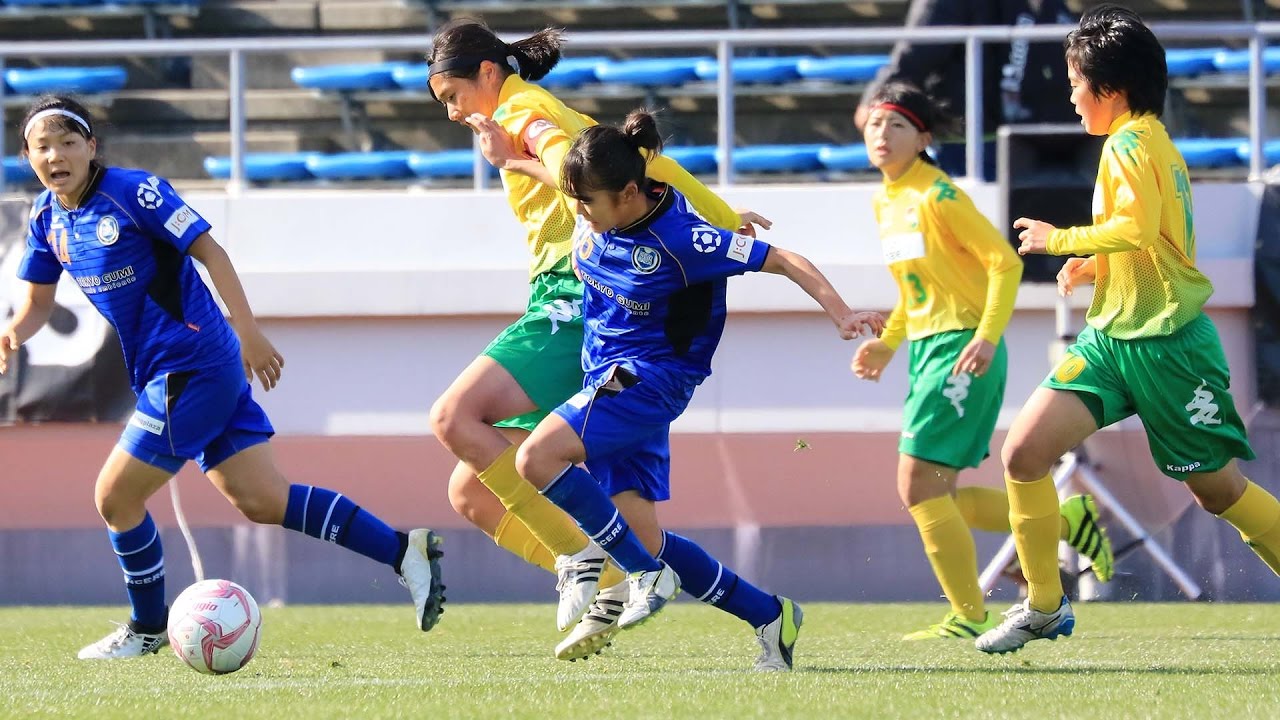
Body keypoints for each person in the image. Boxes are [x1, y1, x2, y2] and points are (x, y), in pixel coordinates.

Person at [0, 96, 445, 660]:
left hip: (192, 365)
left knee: (114, 498)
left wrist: (249, 333)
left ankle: (146, 627)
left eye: (68, 142)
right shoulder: (45, 217)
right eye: (43, 146)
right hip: (180, 371)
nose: (56, 154)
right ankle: (403, 551)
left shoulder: (135, 192)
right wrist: (13, 331)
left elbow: (210, 251)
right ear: (27, 157)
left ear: (91, 147)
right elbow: (37, 304)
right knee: (263, 499)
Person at [424, 19, 768, 660]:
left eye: (453, 96)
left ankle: (583, 560)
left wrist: (510, 160)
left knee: (455, 416)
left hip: (574, 296)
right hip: (579, 306)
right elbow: (642, 162)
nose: (452, 113)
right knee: (474, 490)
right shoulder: (544, 108)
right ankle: (759, 612)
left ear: (489, 76)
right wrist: (721, 216)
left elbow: (570, 171)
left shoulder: (522, 110)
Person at [511, 109, 886, 670]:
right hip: (607, 378)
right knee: (645, 535)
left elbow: (783, 259)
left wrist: (841, 313)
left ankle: (631, 572)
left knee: (535, 458)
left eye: (589, 202)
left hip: (648, 379)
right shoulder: (595, 200)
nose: (580, 213)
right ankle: (770, 616)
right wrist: (510, 159)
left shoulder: (684, 240)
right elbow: (559, 177)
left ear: (629, 192)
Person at [976, 4, 1280, 655]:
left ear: (1109, 89)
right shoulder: (1144, 140)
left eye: (1075, 81)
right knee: (1024, 455)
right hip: (1113, 343)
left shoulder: (1133, 143)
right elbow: (1150, 239)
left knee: (1218, 491)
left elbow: (1138, 229)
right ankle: (1043, 605)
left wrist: (1064, 240)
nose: (1071, 95)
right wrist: (1095, 265)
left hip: (1170, 348)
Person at [852, 81, 1113, 641]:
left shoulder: (938, 196)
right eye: (875, 124)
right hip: (928, 349)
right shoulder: (886, 201)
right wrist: (888, 343)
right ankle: (1067, 521)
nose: (882, 133)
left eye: (896, 125)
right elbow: (915, 289)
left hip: (961, 348)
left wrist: (988, 335)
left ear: (922, 137)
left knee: (917, 483)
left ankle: (969, 616)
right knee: (938, 493)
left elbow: (1004, 263)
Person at [855, 0, 1077, 180]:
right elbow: (914, 57)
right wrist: (877, 100)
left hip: (1032, 143)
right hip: (969, 145)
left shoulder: (1049, 6)